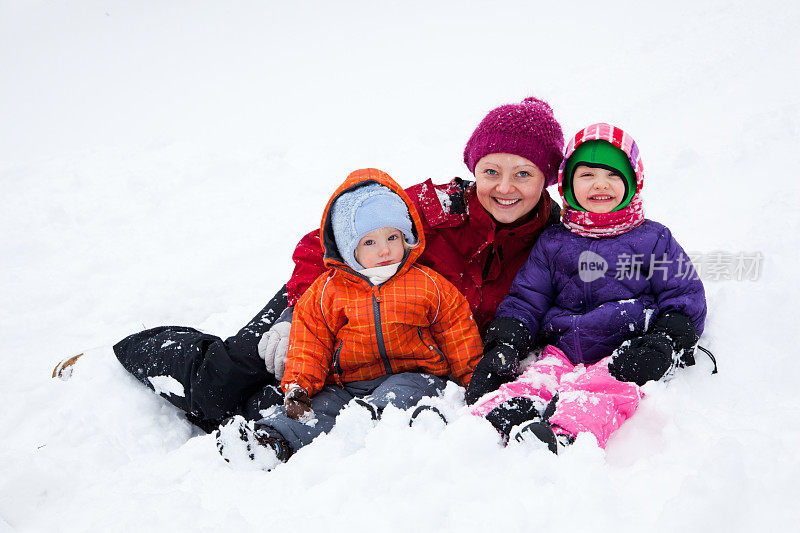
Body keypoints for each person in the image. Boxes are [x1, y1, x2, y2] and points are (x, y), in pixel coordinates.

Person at [112, 97, 565, 431]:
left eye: (523, 173)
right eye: (491, 171)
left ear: (547, 177)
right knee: (217, 390)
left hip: (394, 346)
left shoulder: (555, 243)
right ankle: (129, 351)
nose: (505, 187)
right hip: (326, 302)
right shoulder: (431, 206)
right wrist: (295, 316)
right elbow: (324, 241)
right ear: (474, 168)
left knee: (259, 411)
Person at [215, 168, 482, 469]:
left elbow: (457, 331)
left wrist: (473, 379)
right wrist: (298, 387)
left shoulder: (427, 283)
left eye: (393, 237)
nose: (384, 250)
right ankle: (271, 440)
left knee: (402, 393)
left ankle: (376, 422)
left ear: (407, 236)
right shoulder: (327, 290)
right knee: (319, 408)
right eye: (369, 242)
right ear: (347, 247)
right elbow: (310, 342)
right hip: (348, 383)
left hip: (415, 375)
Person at [466, 123, 707, 453]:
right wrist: (506, 342)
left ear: (633, 182)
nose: (600, 184)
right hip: (563, 348)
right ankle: (497, 419)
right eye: (587, 175)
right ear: (568, 183)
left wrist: (664, 341)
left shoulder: (653, 239)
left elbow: (683, 295)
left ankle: (566, 433)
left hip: (624, 352)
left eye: (612, 175)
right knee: (537, 378)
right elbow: (528, 297)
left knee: (603, 390)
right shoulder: (554, 242)